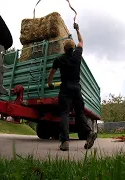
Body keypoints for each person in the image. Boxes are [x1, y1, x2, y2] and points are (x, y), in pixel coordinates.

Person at [47, 23, 97, 151]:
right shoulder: (78, 55)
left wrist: (49, 83)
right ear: (73, 48)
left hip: (65, 89)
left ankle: (65, 142)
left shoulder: (59, 59)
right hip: (76, 88)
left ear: (63, 49)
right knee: (80, 113)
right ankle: (89, 133)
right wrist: (78, 30)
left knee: (64, 113)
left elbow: (51, 72)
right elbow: (81, 41)